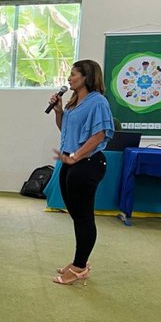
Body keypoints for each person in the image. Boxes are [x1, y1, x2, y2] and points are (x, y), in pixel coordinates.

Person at [49, 59, 113, 285]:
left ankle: (79, 267)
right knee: (76, 215)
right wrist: (58, 111)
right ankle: (80, 261)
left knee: (84, 217)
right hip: (69, 161)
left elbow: (99, 135)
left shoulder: (98, 102)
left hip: (87, 163)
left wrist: (77, 156)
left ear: (86, 77)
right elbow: (65, 131)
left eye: (73, 74)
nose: (69, 78)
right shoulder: (74, 102)